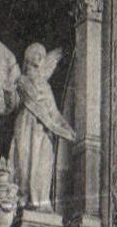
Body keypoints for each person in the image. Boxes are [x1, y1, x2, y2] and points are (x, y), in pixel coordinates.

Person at [6, 42, 75, 210]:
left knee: (42, 164)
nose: (40, 57)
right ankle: (24, 199)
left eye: (42, 55)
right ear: (28, 57)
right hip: (27, 125)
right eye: (36, 53)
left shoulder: (46, 86)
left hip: (43, 131)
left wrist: (67, 129)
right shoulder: (21, 80)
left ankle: (40, 200)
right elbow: (32, 99)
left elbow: (53, 112)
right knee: (24, 164)